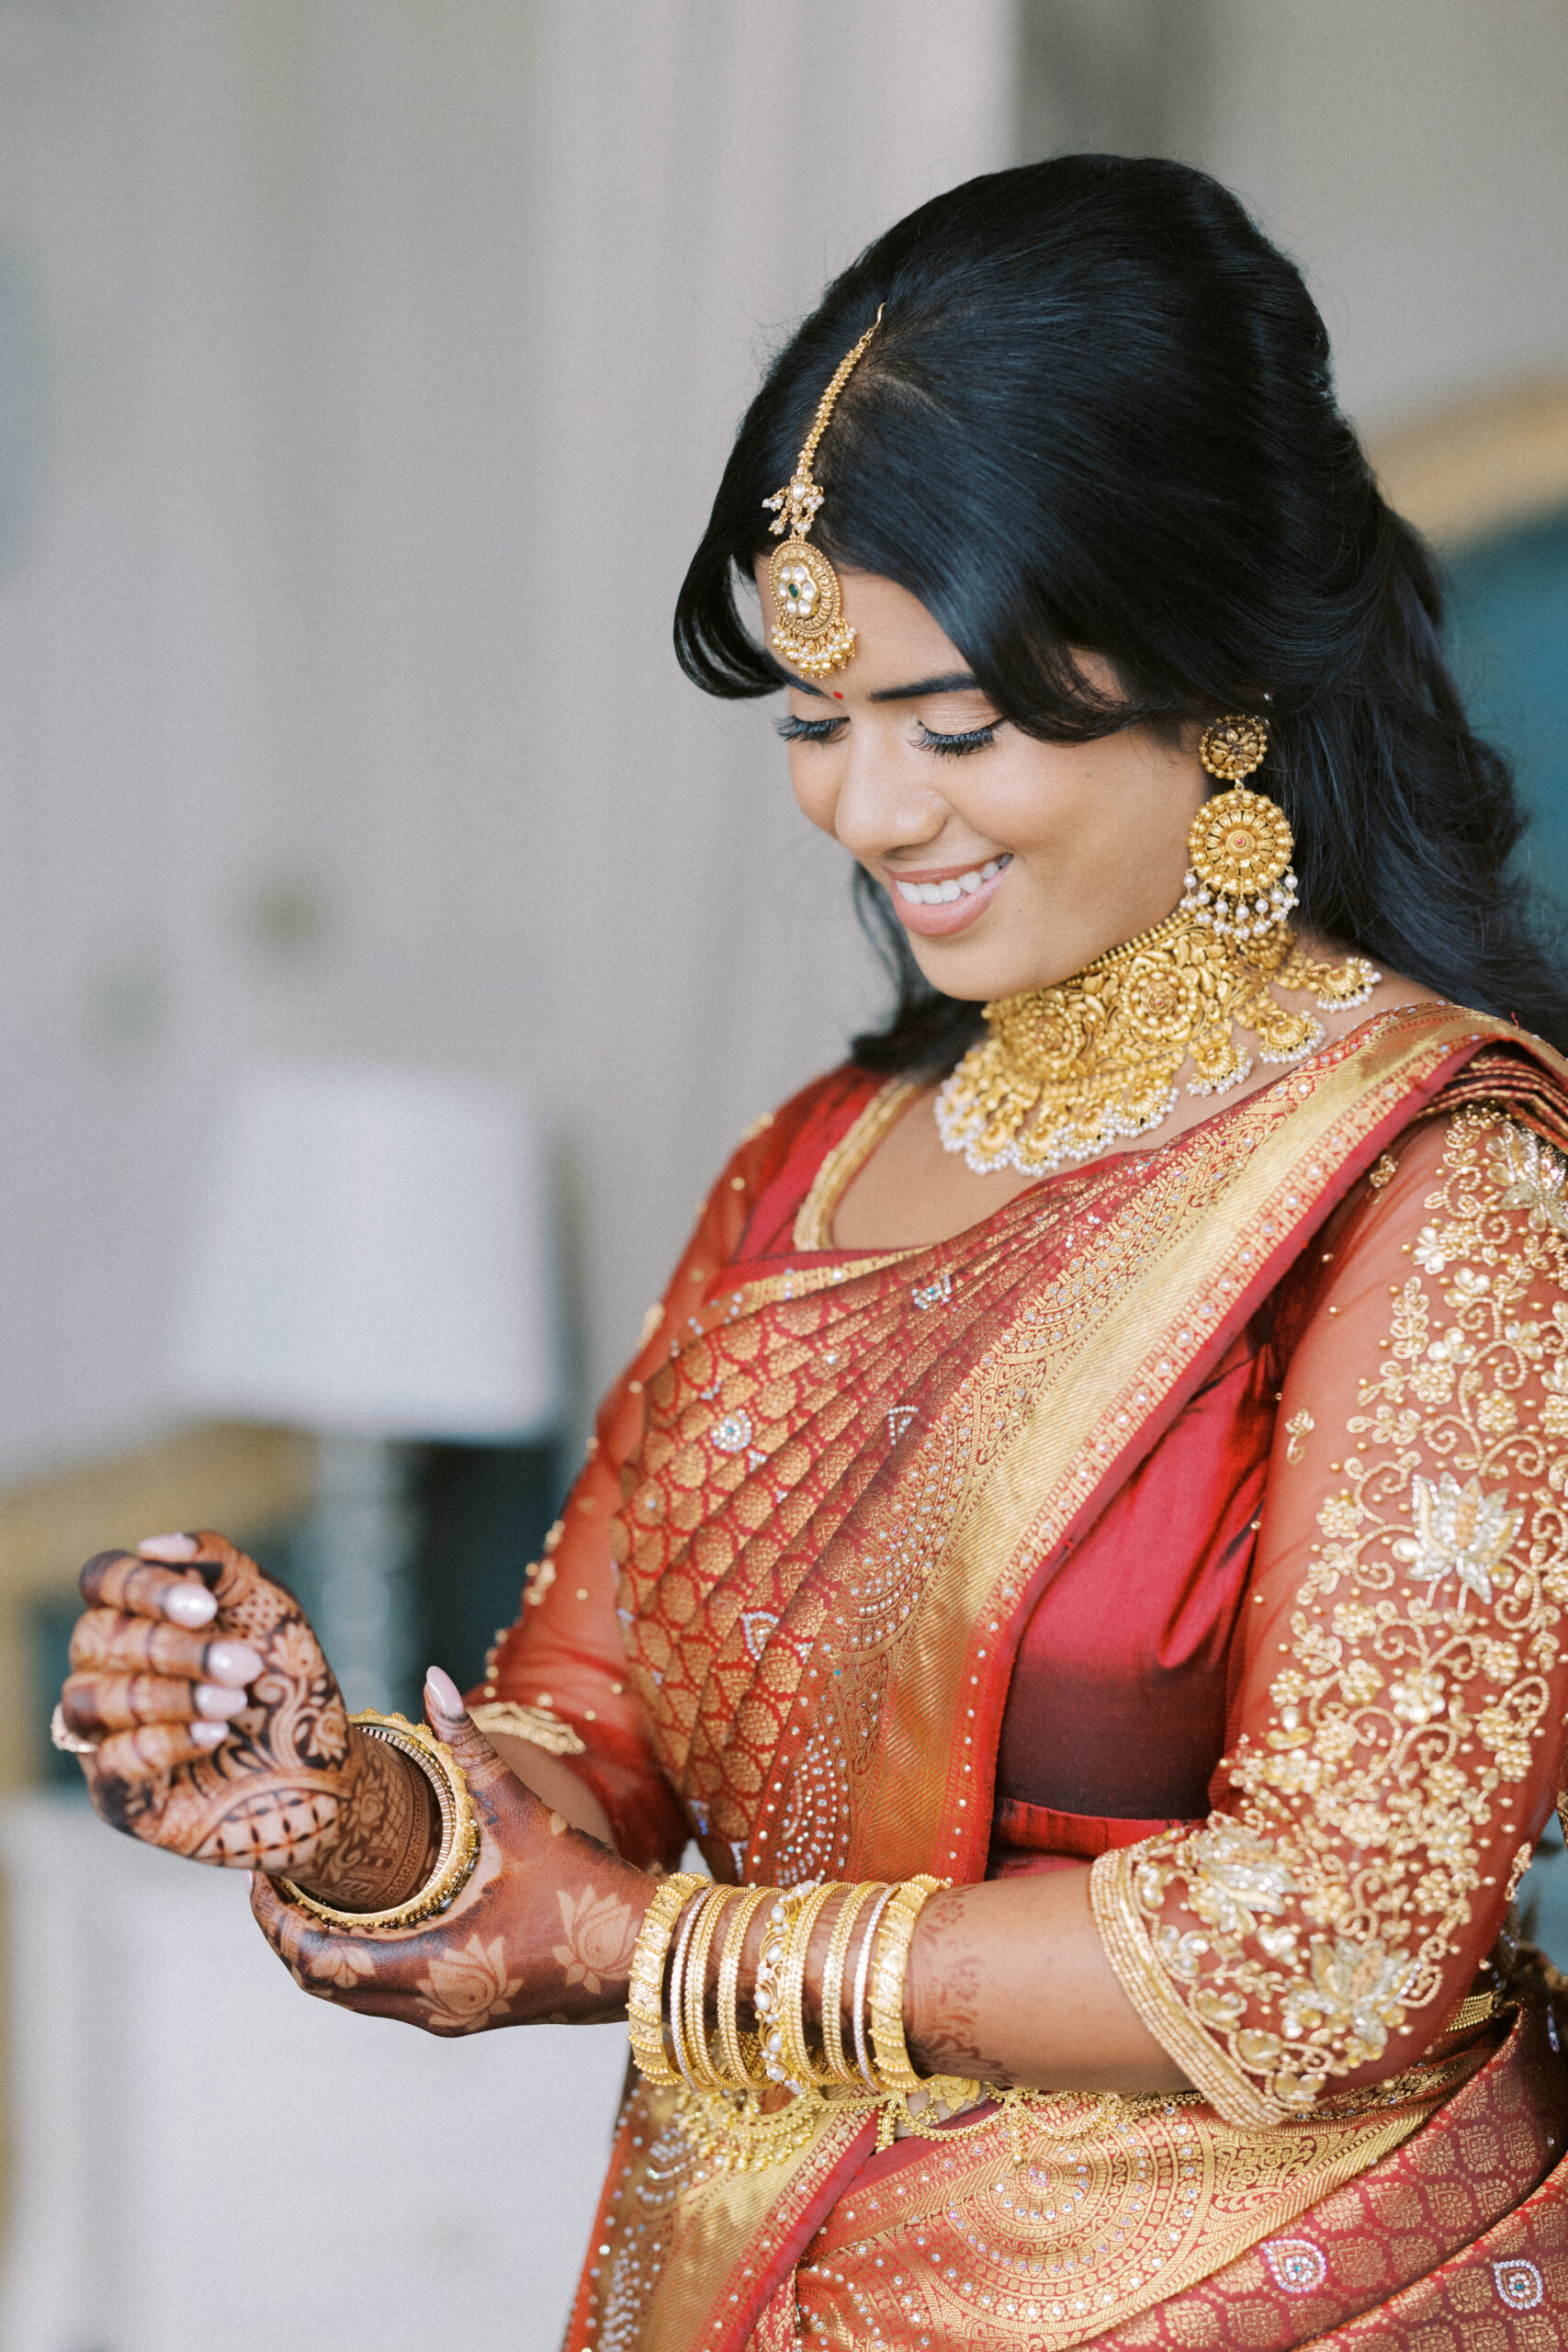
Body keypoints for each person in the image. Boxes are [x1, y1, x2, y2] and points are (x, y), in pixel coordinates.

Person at [55, 155, 1568, 2349]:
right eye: (811, 718)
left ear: (1218, 676)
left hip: (1279, 2293)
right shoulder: (816, 1165)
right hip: (759, 2278)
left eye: (949, 725)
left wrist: (646, 1957)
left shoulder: (1431, 1182)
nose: (864, 813)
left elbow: (1324, 1935)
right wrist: (337, 1790)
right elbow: (584, 1745)